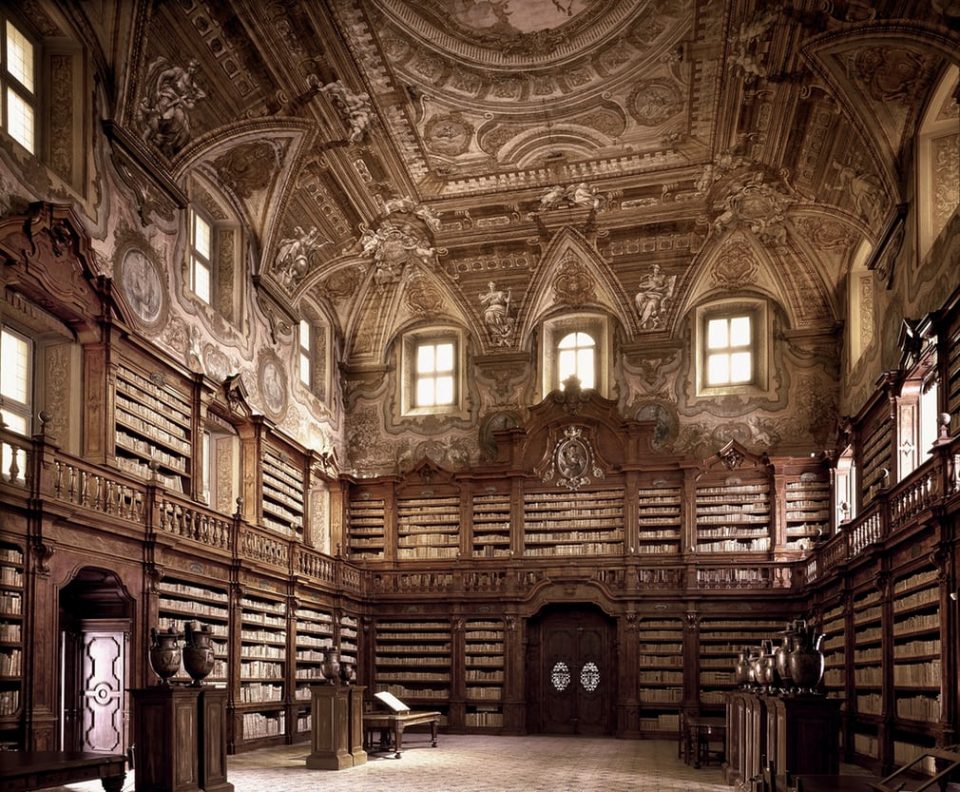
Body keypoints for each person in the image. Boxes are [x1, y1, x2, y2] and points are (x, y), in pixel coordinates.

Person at [635, 264, 675, 329]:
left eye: (658, 269)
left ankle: (643, 321)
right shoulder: (650, 277)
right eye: (656, 268)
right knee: (638, 296)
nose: (657, 270)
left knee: (650, 304)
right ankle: (642, 314)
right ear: (653, 269)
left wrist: (657, 289)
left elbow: (666, 288)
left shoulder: (663, 277)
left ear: (660, 270)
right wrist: (647, 286)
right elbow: (643, 284)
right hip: (648, 293)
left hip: (657, 296)